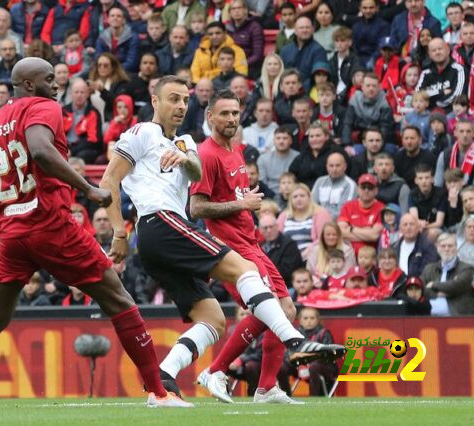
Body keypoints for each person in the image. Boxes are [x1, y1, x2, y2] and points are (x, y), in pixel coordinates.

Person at [0, 57, 188, 409]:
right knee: (120, 301)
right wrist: (88, 189)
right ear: (28, 84)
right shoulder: (44, 107)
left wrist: (14, 188)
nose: (57, 84)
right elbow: (41, 150)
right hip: (50, 225)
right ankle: (160, 393)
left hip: (12, 232)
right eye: (48, 78)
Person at [100, 81, 344, 403]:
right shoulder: (143, 131)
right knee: (244, 270)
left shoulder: (187, 141)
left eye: (185, 100)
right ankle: (295, 341)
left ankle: (163, 385)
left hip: (167, 236)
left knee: (213, 319)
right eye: (173, 99)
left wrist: (183, 157)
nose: (181, 106)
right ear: (154, 100)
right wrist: (118, 231)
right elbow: (108, 180)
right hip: (159, 221)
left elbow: (195, 167)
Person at [187, 89, 344, 404]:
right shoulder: (207, 154)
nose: (231, 118)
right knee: (266, 311)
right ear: (209, 116)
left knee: (286, 309)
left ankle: (266, 388)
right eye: (224, 113)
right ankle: (215, 371)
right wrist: (240, 203)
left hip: (251, 242)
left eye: (235, 112)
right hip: (231, 249)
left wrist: (244, 206)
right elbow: (196, 208)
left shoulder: (235, 148)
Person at [278, 307, 339, 397]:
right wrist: (293, 358)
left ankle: (314, 398)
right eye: (305, 318)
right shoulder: (294, 334)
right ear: (300, 320)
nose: (309, 321)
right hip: (299, 365)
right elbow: (288, 353)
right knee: (280, 367)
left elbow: (328, 355)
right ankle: (286, 396)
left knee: (314, 366)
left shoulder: (324, 333)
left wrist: (306, 359)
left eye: (312, 318)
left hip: (323, 367)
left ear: (318, 320)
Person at [422, 232, 474, 316]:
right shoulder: (429, 269)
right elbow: (422, 290)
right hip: (430, 319)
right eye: (443, 246)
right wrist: (440, 293)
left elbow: (456, 286)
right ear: (437, 248)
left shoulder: (467, 268)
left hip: (457, 318)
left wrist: (433, 284)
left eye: (450, 246)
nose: (446, 249)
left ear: (456, 248)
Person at [277, 183, 332, 258]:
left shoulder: (320, 213)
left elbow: (323, 239)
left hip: (313, 256)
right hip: (289, 257)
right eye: (295, 197)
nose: (298, 199)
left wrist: (305, 254)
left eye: (302, 196)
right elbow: (278, 238)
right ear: (291, 200)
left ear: (309, 197)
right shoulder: (283, 216)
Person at [337, 173, 385, 254]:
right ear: (358, 189)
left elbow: (374, 236)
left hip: (370, 255)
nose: (366, 190)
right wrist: (366, 232)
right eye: (363, 187)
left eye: (370, 188)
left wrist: (352, 229)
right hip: (347, 253)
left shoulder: (381, 208)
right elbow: (340, 232)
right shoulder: (348, 206)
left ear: (376, 191)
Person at [416, 38, 466, 112]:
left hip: (450, 113)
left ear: (448, 50)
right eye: (434, 50)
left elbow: (457, 96)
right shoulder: (426, 72)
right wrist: (441, 92)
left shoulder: (459, 69)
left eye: (440, 49)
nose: (437, 52)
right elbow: (418, 95)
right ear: (429, 54)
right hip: (427, 113)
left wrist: (436, 104)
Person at [311, 152, 358, 220]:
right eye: (331, 166)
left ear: (345, 166)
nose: (334, 169)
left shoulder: (350, 185)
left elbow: (344, 212)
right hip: (316, 221)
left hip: (338, 225)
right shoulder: (320, 182)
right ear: (327, 167)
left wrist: (322, 218)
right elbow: (312, 205)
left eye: (338, 165)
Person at [258, 213, 303, 282]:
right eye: (265, 228)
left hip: (286, 284)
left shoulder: (289, 244)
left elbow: (286, 272)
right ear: (260, 230)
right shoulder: (258, 246)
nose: (269, 230)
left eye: (271, 227)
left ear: (277, 226)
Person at [391, 213, 439, 278]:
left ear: (418, 227)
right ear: (400, 228)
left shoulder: (428, 246)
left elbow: (428, 273)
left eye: (412, 224)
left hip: (417, 285)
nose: (408, 227)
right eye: (405, 225)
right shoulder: (393, 247)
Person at [256, 127, 298, 195]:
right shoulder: (263, 159)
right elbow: (262, 183)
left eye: (285, 138)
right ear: (273, 141)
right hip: (269, 196)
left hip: (293, 195)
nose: (281, 141)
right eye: (278, 138)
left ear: (291, 141)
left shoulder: (298, 157)